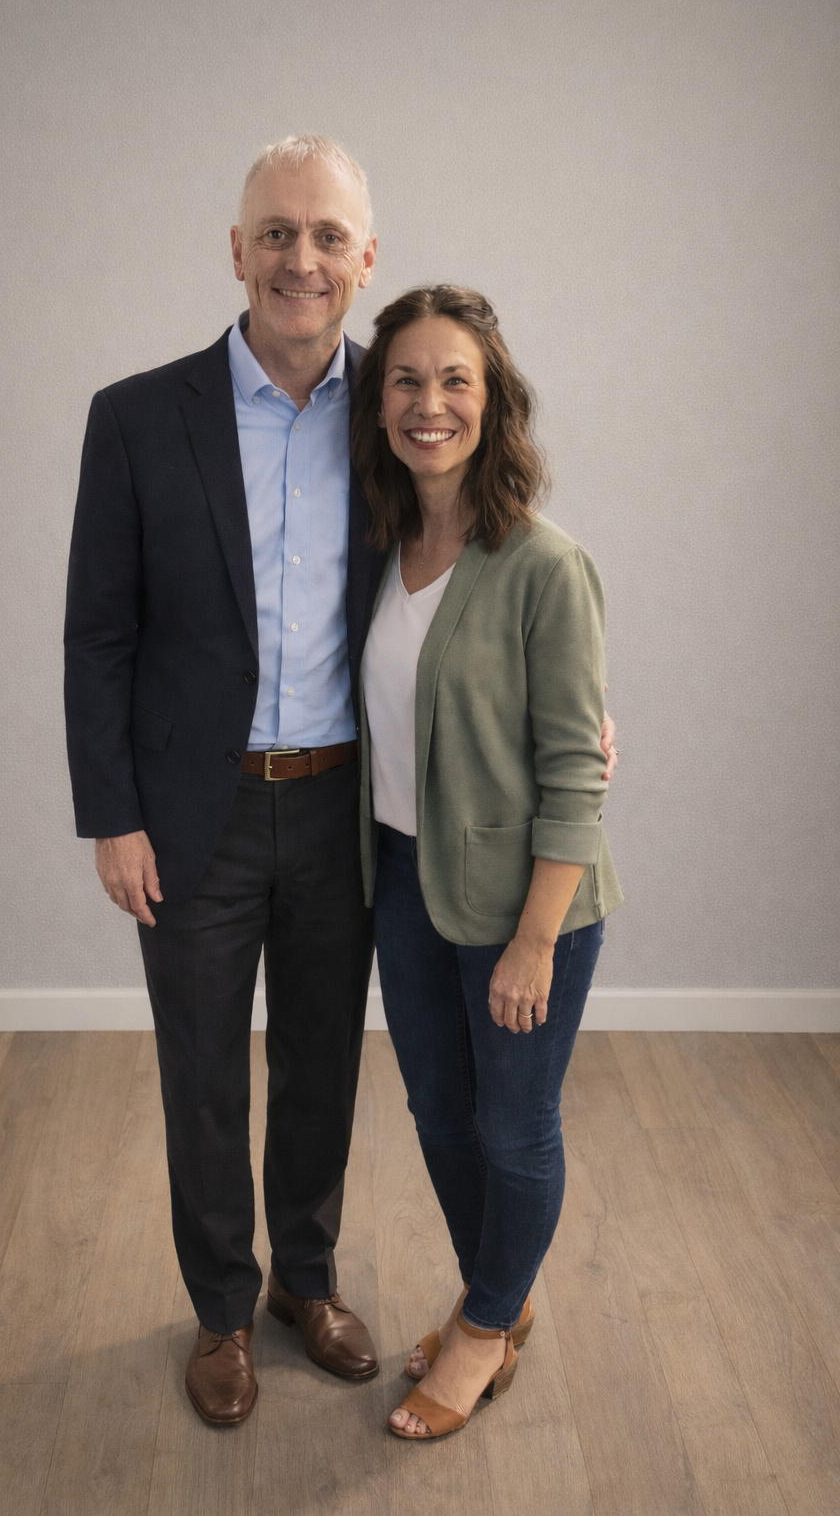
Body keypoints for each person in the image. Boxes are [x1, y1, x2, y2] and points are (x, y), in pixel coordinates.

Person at [65, 138, 618, 1429]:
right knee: (202, 1069)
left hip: (346, 813)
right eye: (275, 232)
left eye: (326, 236)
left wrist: (576, 711)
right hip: (190, 815)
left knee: (323, 1063)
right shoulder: (139, 415)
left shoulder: (406, 406)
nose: (299, 258)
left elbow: (489, 574)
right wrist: (114, 814)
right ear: (237, 249)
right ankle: (219, 1311)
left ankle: (304, 1287)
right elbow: (100, 632)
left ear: (364, 259)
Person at [351, 285, 624, 1440]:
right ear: (378, 406)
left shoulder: (543, 566)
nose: (428, 404)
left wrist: (531, 939)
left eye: (454, 379)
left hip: (527, 905)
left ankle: (483, 1327)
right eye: (405, 380)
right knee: (439, 1113)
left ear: (492, 399)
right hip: (404, 885)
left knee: (514, 1127)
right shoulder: (379, 547)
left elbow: (577, 772)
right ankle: (495, 1299)